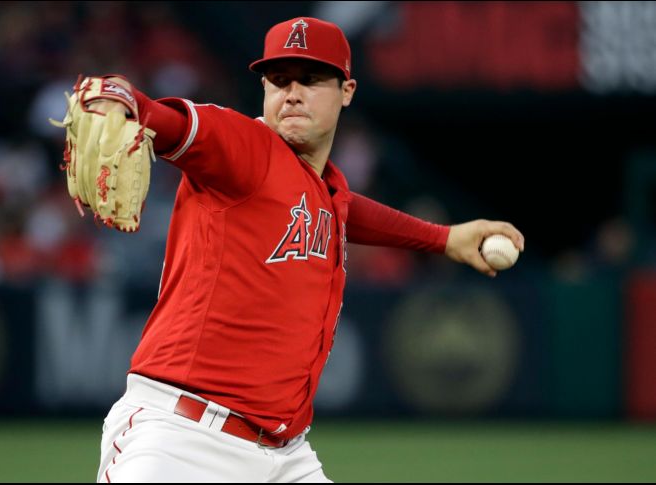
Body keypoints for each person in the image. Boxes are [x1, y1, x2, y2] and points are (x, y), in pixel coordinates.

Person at [91, 17, 524, 483]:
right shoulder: (244, 148)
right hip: (183, 439)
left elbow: (348, 210)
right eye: (280, 80)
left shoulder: (323, 188)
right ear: (264, 89)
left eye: (311, 79)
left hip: (287, 457)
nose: (292, 93)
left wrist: (443, 238)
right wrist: (125, 101)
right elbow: (174, 125)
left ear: (347, 91)